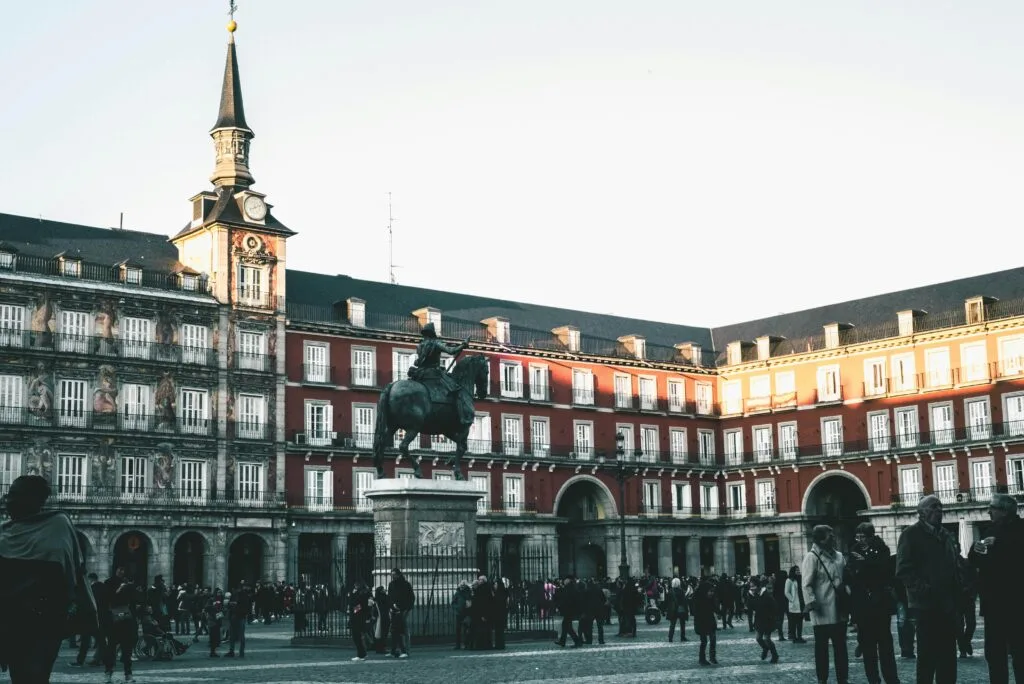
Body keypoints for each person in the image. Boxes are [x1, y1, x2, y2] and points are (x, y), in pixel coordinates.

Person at [0, 474, 95, 683]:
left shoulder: (57, 525)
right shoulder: (5, 531)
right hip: (11, 621)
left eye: (15, 495)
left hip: (43, 621)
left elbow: (70, 572)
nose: (8, 500)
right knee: (19, 676)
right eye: (8, 495)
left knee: (35, 676)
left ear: (36, 499)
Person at [896, 494, 960, 684]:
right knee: (927, 656)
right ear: (921, 513)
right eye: (934, 507)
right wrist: (923, 589)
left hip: (948, 604)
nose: (939, 511)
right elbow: (903, 569)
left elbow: (954, 565)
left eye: (940, 507)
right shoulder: (910, 534)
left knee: (948, 657)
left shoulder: (946, 535)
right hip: (926, 605)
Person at [968, 492, 1024, 684]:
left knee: (1020, 651)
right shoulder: (989, 529)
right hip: (992, 602)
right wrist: (974, 551)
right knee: (994, 653)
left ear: (1005, 511)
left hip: (1017, 602)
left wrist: (999, 544)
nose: (989, 511)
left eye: (992, 508)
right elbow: (975, 561)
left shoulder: (1021, 529)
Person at [847, 521, 900, 684]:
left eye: (863, 536)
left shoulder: (882, 549)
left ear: (870, 537)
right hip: (862, 605)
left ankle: (891, 679)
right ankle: (873, 680)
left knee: (885, 646)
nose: (859, 539)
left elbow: (883, 571)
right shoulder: (853, 551)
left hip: (880, 604)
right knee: (868, 647)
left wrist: (864, 563)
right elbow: (851, 577)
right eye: (857, 536)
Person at [802, 524, 850, 684]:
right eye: (830, 536)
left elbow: (846, 578)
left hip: (839, 608)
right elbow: (806, 584)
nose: (834, 538)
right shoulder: (812, 557)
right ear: (821, 538)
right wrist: (811, 602)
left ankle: (842, 678)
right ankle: (822, 679)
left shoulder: (839, 556)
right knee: (821, 649)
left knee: (841, 648)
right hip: (821, 611)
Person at [409, 324, 473, 426]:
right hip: (434, 373)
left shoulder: (420, 346)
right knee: (456, 389)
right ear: (432, 334)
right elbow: (451, 351)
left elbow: (419, 361)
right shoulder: (436, 344)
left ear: (425, 334)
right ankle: (462, 416)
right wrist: (463, 345)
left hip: (420, 374)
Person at [387, 568, 415, 658]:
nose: (393, 576)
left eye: (394, 574)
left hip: (403, 610)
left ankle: (406, 650)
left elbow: (411, 598)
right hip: (394, 610)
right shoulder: (391, 585)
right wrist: (391, 606)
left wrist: (406, 608)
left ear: (399, 574)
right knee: (394, 630)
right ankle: (394, 650)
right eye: (392, 574)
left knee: (403, 630)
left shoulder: (406, 584)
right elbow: (390, 597)